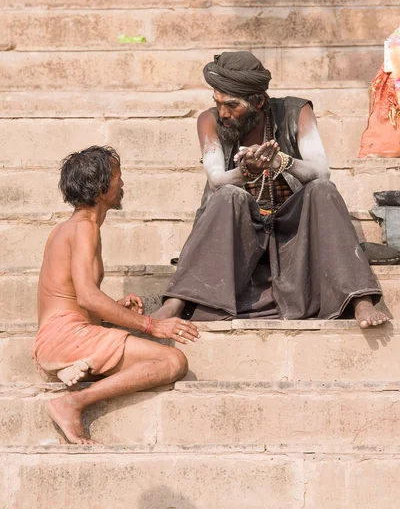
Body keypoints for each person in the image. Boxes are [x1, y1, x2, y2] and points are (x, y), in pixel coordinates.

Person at [153, 51, 389, 329]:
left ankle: (359, 299)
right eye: (218, 103)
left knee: (322, 189)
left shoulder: (296, 112)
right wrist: (244, 173)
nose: (224, 113)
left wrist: (282, 161)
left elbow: (320, 170)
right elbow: (216, 179)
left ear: (259, 101)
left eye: (232, 105)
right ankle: (176, 302)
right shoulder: (209, 120)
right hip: (241, 234)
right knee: (229, 194)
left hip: (294, 234)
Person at [32, 146, 199, 444]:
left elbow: (73, 295)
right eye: (118, 177)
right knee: (172, 362)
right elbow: (87, 297)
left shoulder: (65, 228)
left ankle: (75, 370)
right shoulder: (85, 229)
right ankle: (73, 403)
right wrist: (152, 324)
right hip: (66, 337)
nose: (122, 184)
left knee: (141, 360)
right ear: (101, 187)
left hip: (55, 338)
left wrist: (114, 307)